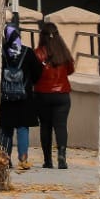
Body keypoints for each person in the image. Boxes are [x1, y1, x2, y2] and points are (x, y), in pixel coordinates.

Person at [0, 23, 41, 170]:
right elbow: (38, 72)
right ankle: (23, 159)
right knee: (23, 128)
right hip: (24, 98)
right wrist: (28, 83)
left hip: (5, 98)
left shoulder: (0, 52)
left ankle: (4, 159)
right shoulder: (28, 52)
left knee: (6, 129)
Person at [33, 21, 76, 169]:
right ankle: (62, 157)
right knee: (61, 126)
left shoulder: (38, 53)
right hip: (62, 94)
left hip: (42, 94)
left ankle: (48, 160)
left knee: (45, 126)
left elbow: (34, 74)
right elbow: (70, 70)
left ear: (42, 36)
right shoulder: (63, 52)